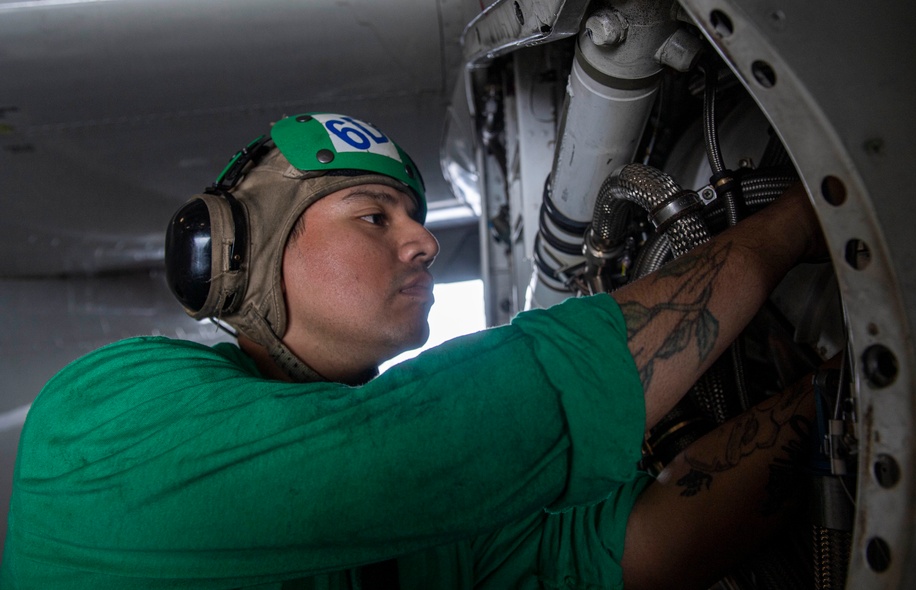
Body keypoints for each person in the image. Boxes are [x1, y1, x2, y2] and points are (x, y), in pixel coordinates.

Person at [1, 112, 826, 589]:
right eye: (374, 216)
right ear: (236, 250)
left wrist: (836, 399)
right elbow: (409, 447)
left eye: (418, 217)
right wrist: (803, 218)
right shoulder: (97, 415)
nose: (424, 242)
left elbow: (616, 550)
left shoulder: (416, 527)